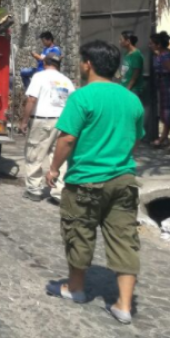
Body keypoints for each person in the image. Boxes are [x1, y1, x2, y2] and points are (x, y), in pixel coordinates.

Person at [45, 40, 145, 325]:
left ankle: (76, 288)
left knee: (79, 232)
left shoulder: (82, 97)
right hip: (124, 180)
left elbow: (67, 138)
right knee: (125, 239)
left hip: (85, 180)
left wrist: (53, 168)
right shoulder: (131, 99)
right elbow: (136, 137)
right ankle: (124, 305)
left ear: (88, 63)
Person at [19, 53, 74, 202]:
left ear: (45, 63)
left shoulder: (39, 77)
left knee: (35, 153)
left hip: (42, 120)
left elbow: (31, 99)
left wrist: (24, 121)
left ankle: (34, 190)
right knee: (58, 156)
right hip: (62, 122)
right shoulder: (67, 81)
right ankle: (58, 191)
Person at [149, 32, 170, 147]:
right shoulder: (160, 54)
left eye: (152, 43)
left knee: (167, 113)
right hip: (163, 85)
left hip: (167, 86)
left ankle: (163, 139)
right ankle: (163, 138)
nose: (150, 45)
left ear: (159, 45)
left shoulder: (165, 56)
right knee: (165, 113)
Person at [118, 31, 145, 100]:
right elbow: (125, 70)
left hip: (133, 90)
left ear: (128, 41)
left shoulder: (136, 55)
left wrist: (127, 89)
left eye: (121, 39)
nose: (119, 42)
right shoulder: (126, 53)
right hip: (124, 88)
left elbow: (135, 76)